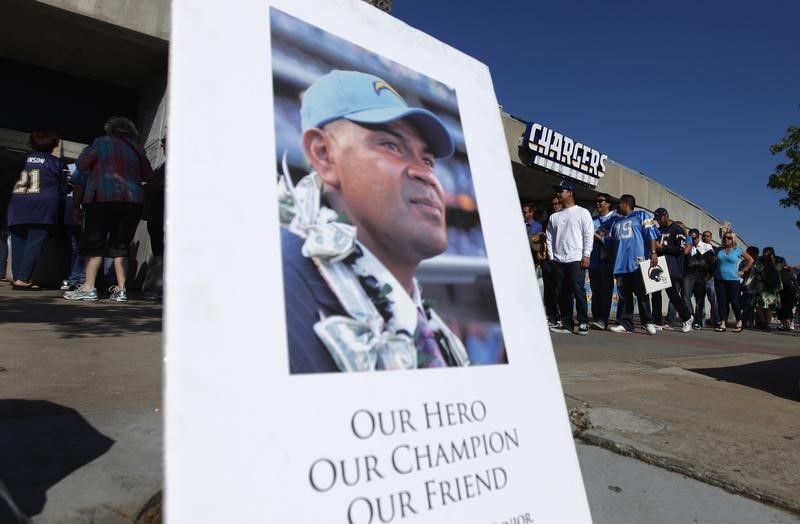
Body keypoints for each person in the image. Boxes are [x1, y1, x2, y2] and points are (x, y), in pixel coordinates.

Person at [279, 70, 470, 373]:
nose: (427, 175)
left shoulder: (429, 323)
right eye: (391, 146)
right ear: (324, 154)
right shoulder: (283, 294)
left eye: (428, 160)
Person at [64, 117, 153, 302]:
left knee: (95, 243)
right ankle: (121, 290)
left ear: (111, 129)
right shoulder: (138, 149)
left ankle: (89, 288)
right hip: (132, 201)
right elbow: (147, 174)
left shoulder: (102, 142)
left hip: (102, 198)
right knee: (121, 246)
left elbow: (81, 165)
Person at [6, 131, 67, 290]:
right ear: (52, 146)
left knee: (18, 242)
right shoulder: (56, 163)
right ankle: (23, 279)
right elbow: (64, 188)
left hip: (16, 204)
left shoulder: (18, 160)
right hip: (42, 208)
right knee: (35, 243)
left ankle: (19, 277)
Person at [607, 194, 660, 334]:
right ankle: (625, 323)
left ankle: (648, 322)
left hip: (637, 262)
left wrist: (653, 252)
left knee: (642, 294)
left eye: (619, 203)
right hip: (620, 264)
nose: (617, 206)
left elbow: (652, 233)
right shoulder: (615, 222)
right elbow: (611, 241)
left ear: (625, 203)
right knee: (624, 296)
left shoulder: (642, 215)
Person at [546, 180, 593, 335]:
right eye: (558, 191)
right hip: (558, 260)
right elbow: (550, 238)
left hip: (576, 258)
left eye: (561, 191)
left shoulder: (582, 212)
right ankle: (566, 324)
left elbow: (588, 235)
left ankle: (583, 322)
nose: (558, 194)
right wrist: (552, 257)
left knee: (578, 290)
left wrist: (586, 255)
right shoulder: (554, 216)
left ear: (570, 193)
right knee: (562, 292)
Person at [650, 209, 694, 332]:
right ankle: (656, 321)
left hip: (672, 266)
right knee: (656, 294)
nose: (658, 221)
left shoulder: (676, 229)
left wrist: (662, 247)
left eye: (660, 218)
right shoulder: (658, 230)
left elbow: (680, 249)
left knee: (673, 294)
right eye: (657, 219)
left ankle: (687, 317)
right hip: (659, 266)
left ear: (666, 216)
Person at [588, 193, 618, 330]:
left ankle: (603, 319)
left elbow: (614, 239)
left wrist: (598, 236)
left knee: (606, 290)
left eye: (601, 201)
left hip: (606, 261)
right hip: (593, 260)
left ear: (608, 203)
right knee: (596, 290)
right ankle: (596, 318)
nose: (598, 203)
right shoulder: (592, 219)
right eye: (597, 201)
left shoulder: (614, 219)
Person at [713, 231, 753, 332]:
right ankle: (722, 323)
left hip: (733, 280)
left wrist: (743, 271)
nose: (727, 239)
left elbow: (750, 260)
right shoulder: (719, 250)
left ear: (733, 239)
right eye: (725, 238)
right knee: (722, 302)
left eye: (729, 238)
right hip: (719, 279)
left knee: (734, 302)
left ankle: (739, 321)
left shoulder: (737, 250)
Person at [541, 195, 563, 327]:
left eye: (558, 203)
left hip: (562, 260)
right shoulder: (548, 220)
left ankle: (561, 317)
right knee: (548, 290)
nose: (555, 206)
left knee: (559, 290)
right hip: (548, 260)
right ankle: (551, 316)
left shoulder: (567, 218)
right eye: (553, 204)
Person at [750, 247, 782, 332]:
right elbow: (758, 268)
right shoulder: (760, 260)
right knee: (758, 306)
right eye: (764, 252)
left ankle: (767, 325)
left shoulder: (777, 260)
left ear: (772, 253)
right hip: (761, 286)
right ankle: (763, 322)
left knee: (769, 307)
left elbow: (779, 269)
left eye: (768, 253)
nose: (765, 254)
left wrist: (772, 261)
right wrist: (764, 263)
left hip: (771, 287)